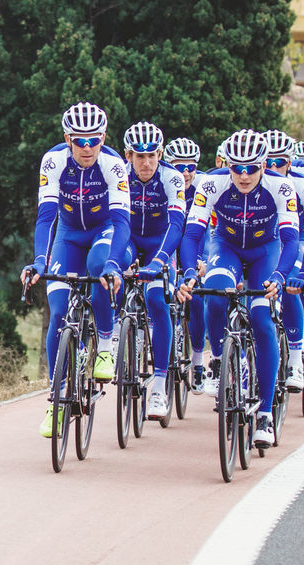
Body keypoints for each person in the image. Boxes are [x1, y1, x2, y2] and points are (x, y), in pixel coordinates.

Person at [177, 129, 300, 449]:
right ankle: (220, 360)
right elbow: (191, 236)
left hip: (265, 252)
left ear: (263, 165)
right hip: (226, 247)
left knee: (261, 320)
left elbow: (290, 240)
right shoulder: (211, 184)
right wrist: (190, 271)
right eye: (237, 168)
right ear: (227, 165)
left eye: (252, 169)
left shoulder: (280, 187)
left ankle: (266, 414)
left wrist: (282, 275)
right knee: (214, 298)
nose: (244, 176)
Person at [22, 102, 129, 437]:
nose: (87, 148)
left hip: (104, 231)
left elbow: (123, 222)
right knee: (57, 315)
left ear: (103, 138)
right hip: (68, 235)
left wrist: (113, 263)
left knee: (99, 267)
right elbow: (46, 217)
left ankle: (107, 347)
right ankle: (55, 403)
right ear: (67, 138)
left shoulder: (113, 165)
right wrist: (40, 260)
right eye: (79, 141)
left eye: (94, 140)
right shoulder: (53, 161)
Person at [121, 122, 186, 418]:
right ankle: (112, 336)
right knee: (114, 269)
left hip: (161, 244)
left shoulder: (172, 178)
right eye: (138, 156)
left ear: (160, 154)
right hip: (130, 240)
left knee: (157, 301)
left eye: (151, 156)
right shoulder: (120, 175)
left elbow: (176, 225)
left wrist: (159, 261)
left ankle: (159, 386)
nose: (146, 163)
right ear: (128, 155)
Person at [264, 130, 304, 391]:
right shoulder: (251, 180)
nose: (274, 168)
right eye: (269, 162)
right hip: (267, 241)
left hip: (295, 241)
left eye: (280, 163)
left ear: (290, 162)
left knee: (289, 286)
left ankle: (295, 360)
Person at [164, 137, 209, 390]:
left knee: (197, 297)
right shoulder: (164, 183)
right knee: (161, 287)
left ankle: (199, 360)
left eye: (190, 166)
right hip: (169, 241)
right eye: (179, 167)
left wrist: (202, 260)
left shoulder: (203, 185)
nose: (185, 173)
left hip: (197, 241)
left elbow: (211, 229)